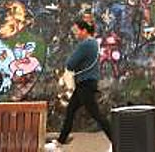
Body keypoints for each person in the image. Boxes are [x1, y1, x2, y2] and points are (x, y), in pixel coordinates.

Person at [46, 18, 113, 151]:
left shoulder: (85, 45)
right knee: (70, 111)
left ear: (84, 31)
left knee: (97, 115)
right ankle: (59, 142)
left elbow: (71, 63)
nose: (76, 34)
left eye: (77, 31)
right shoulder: (94, 43)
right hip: (86, 83)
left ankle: (117, 142)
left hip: (85, 84)